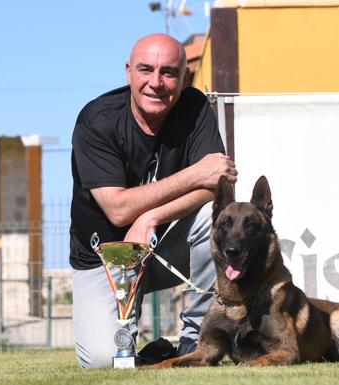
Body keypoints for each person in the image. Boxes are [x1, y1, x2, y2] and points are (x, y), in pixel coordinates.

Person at [69, 33, 238, 368]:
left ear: (185, 77)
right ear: (129, 71)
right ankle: (150, 351)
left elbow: (218, 187)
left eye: (168, 72)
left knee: (217, 217)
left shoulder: (194, 108)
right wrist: (193, 174)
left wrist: (150, 217)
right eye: (146, 70)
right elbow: (117, 209)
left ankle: (197, 340)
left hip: (163, 248)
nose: (156, 83)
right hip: (105, 261)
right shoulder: (96, 120)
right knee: (106, 362)